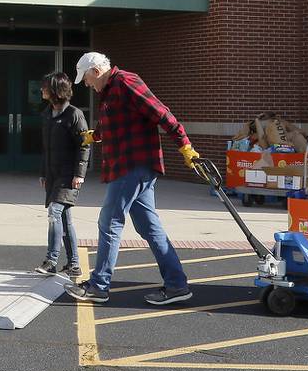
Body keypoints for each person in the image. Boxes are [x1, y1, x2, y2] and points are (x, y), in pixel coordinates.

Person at [65, 52, 200, 306]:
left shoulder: (126, 82)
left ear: (96, 71)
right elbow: (116, 123)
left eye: (86, 79)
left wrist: (185, 146)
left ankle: (99, 286)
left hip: (134, 165)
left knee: (109, 222)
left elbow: (162, 113)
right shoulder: (110, 91)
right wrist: (92, 136)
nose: (86, 85)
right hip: (130, 165)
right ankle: (177, 285)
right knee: (149, 227)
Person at [36, 71, 87, 276]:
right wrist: (43, 173)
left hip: (68, 174)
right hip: (53, 174)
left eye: (45, 87)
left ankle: (51, 260)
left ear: (56, 90)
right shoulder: (48, 114)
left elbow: (84, 146)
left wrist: (79, 174)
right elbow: (46, 148)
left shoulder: (74, 114)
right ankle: (74, 264)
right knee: (65, 218)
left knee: (54, 213)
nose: (42, 90)